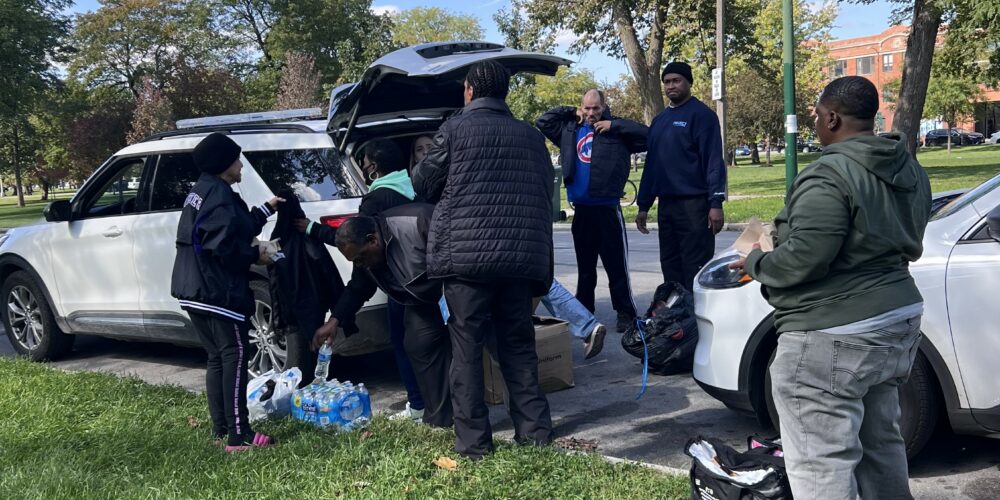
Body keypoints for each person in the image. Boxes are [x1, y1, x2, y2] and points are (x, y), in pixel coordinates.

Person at [731, 76, 931, 498]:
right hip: (897, 320)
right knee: (882, 445)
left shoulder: (828, 174)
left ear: (834, 117)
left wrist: (755, 260)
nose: (816, 123)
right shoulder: (907, 166)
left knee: (821, 463)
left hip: (832, 334)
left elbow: (804, 258)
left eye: (819, 116)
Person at [411, 60, 554, 459]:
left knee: (467, 350)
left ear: (470, 90)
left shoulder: (454, 130)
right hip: (519, 259)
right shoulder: (531, 136)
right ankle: (535, 433)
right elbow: (546, 192)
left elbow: (423, 183)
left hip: (466, 261)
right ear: (503, 92)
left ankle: (474, 444)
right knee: (518, 344)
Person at [413, 131, 607, 358]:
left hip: (468, 250)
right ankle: (587, 326)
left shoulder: (440, 177)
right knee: (541, 281)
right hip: (511, 238)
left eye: (429, 146)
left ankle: (458, 351)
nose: (426, 152)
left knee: (447, 291)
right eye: (419, 149)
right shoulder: (498, 154)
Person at [294, 138, 428, 422]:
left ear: (373, 168)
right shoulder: (418, 187)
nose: (363, 168)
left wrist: (313, 230)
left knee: (404, 344)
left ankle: (419, 404)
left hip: (401, 287)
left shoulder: (376, 200)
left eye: (364, 163)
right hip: (429, 281)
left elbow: (356, 249)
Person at [170, 132, 283, 452]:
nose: (241, 165)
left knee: (217, 358)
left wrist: (265, 210)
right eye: (236, 159)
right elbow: (222, 245)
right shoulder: (219, 195)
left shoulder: (203, 190)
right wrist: (256, 255)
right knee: (234, 355)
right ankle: (239, 434)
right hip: (217, 291)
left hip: (193, 288)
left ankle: (221, 428)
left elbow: (231, 226)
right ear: (223, 163)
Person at [311, 205, 453, 428]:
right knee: (417, 344)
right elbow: (358, 288)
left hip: (453, 290)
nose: (359, 264)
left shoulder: (415, 223)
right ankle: (440, 418)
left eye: (360, 258)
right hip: (421, 301)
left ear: (373, 240)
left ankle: (476, 414)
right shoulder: (365, 257)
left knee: (470, 345)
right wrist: (334, 321)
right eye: (354, 261)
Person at [537, 89, 647, 333]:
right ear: (581, 108)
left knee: (616, 266)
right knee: (585, 268)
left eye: (595, 108)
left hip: (607, 209)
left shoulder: (615, 131)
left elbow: (649, 136)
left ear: (603, 107)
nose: (591, 113)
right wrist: (569, 111)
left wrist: (614, 125)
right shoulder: (570, 130)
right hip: (582, 211)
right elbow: (542, 121)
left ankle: (626, 313)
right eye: (586, 108)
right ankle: (584, 311)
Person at [636, 61, 727, 290]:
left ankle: (695, 321)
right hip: (667, 207)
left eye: (676, 80)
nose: (671, 86)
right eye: (667, 82)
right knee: (670, 265)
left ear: (688, 83)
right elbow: (652, 167)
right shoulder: (659, 122)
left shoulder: (703, 116)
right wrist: (643, 205)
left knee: (694, 268)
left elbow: (714, 162)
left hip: (695, 206)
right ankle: (676, 319)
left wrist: (716, 203)